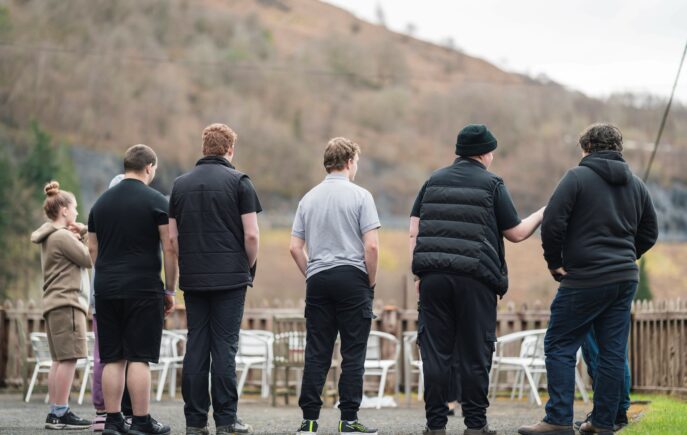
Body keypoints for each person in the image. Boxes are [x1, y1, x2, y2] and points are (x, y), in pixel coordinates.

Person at [518, 123, 658, 435]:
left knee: (559, 344)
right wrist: (623, 257)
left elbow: (553, 222)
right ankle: (603, 423)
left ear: (586, 148)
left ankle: (557, 420)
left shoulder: (576, 177)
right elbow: (650, 232)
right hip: (624, 279)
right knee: (611, 351)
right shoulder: (636, 184)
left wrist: (555, 263)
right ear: (618, 149)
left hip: (584, 277)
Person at [409, 124, 545, 435]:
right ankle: (475, 425)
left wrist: (418, 272)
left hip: (433, 277)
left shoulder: (432, 181)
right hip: (475, 278)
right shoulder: (492, 184)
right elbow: (516, 233)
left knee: (435, 350)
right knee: (475, 351)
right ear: (484, 153)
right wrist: (542, 213)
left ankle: (435, 425)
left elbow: (414, 230)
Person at [168, 123, 260, 435]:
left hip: (193, 278)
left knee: (196, 345)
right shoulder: (240, 182)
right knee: (224, 347)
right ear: (230, 150)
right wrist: (245, 267)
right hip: (231, 279)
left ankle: (195, 422)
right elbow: (251, 235)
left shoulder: (179, 186)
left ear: (204, 147)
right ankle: (226, 420)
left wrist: (188, 263)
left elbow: (172, 239)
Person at [289, 137, 380, 435]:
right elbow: (372, 248)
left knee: (317, 351)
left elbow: (294, 247)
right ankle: (348, 420)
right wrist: (370, 281)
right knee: (352, 352)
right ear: (350, 161)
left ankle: (310, 421)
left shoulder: (308, 198)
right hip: (352, 277)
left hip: (318, 279)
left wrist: (311, 272)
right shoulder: (361, 196)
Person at [88, 144, 177, 435]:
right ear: (149, 167)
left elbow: (92, 248)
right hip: (142, 286)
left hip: (106, 287)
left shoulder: (100, 204)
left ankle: (113, 421)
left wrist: (107, 273)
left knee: (112, 357)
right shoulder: (157, 201)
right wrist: (170, 289)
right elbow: (170, 246)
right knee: (139, 356)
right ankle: (141, 420)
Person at [31, 181, 93, 431]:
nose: (77, 212)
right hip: (68, 303)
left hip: (54, 303)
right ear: (64, 210)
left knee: (58, 360)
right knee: (68, 359)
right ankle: (61, 413)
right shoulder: (62, 236)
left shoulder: (50, 237)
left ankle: (56, 411)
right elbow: (89, 258)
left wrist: (77, 235)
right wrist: (87, 232)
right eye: (75, 208)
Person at [89, 173, 130, 432]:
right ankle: (105, 410)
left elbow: (92, 251)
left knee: (105, 355)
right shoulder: (130, 221)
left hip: (101, 291)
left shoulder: (100, 215)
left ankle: (106, 410)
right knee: (111, 356)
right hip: (123, 292)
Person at [574, 327, 631, 431]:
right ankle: (618, 414)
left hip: (593, 312)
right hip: (618, 313)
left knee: (597, 355)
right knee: (617, 353)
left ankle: (606, 416)